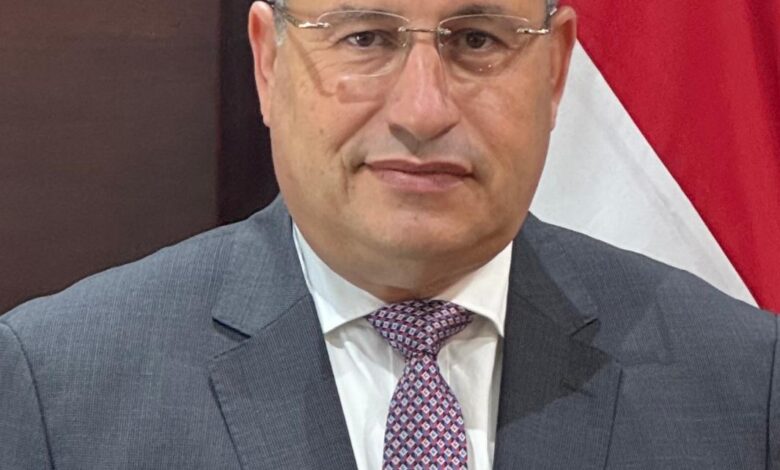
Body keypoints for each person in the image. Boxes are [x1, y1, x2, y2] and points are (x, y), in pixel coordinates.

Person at [1, 0, 778, 468]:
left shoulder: (747, 386)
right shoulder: (56, 391)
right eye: (365, 36)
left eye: (477, 39)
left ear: (553, 73)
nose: (422, 110)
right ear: (269, 63)